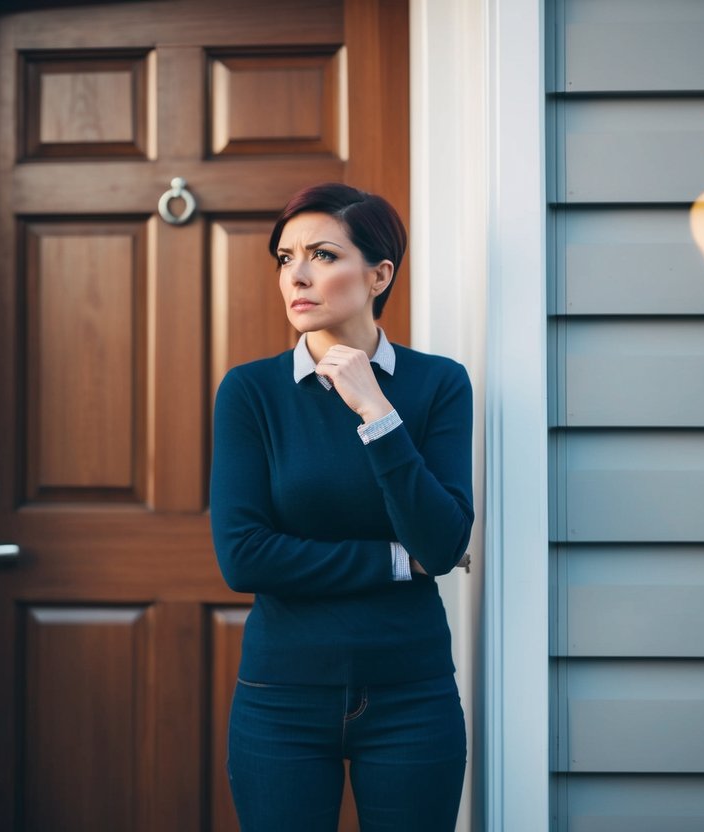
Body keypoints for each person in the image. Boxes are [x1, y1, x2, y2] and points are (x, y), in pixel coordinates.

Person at [210, 182, 473, 831]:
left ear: (379, 274)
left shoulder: (438, 383)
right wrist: (396, 561)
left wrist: (375, 409)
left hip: (412, 694)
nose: (296, 276)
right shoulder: (251, 392)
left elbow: (440, 545)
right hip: (282, 696)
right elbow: (244, 557)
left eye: (322, 255)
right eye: (285, 257)